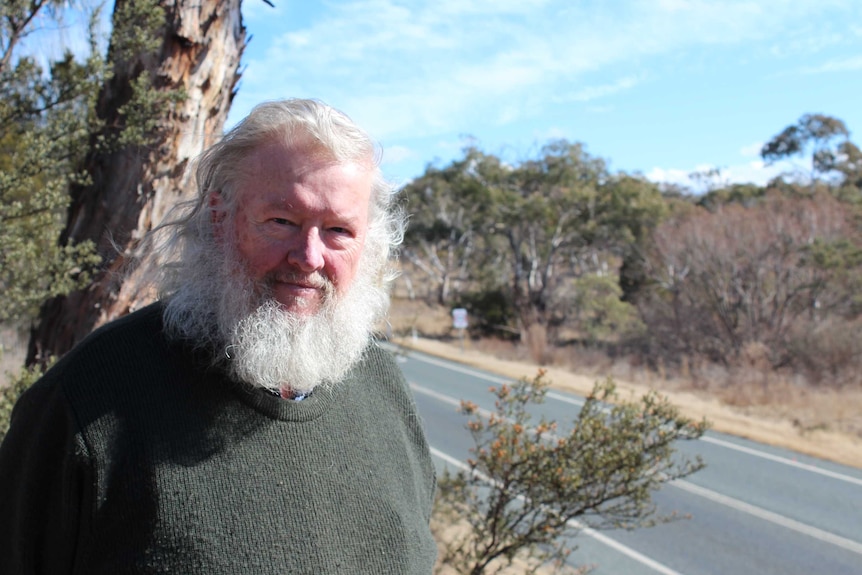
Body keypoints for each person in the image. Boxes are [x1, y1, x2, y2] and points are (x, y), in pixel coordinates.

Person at [0, 98, 438, 574]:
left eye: (337, 231)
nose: (309, 257)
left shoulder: (383, 386)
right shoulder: (86, 403)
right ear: (218, 218)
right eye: (282, 222)